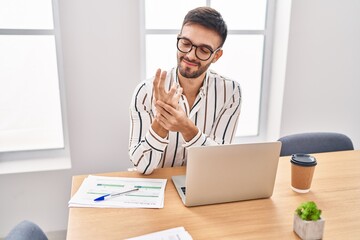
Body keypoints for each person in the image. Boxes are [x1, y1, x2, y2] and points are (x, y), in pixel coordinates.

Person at [129, 7, 241, 174]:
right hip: (158, 188)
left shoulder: (230, 92)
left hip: (201, 184)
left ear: (216, 56)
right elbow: (143, 166)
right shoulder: (145, 92)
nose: (190, 55)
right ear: (178, 39)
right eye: (186, 43)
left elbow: (219, 163)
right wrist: (161, 121)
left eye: (204, 50)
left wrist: (187, 128)